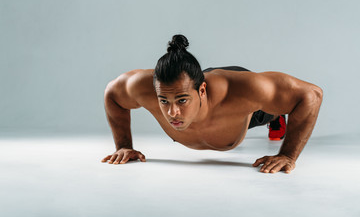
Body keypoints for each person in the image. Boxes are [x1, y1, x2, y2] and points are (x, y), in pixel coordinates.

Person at [101, 34, 323, 174]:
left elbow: (311, 95)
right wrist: (123, 146)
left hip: (231, 98)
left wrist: (288, 155)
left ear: (202, 90)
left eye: (182, 100)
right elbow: (112, 94)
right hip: (202, 93)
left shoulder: (247, 90)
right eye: (164, 101)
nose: (172, 112)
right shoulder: (143, 87)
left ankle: (275, 117)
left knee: (266, 110)